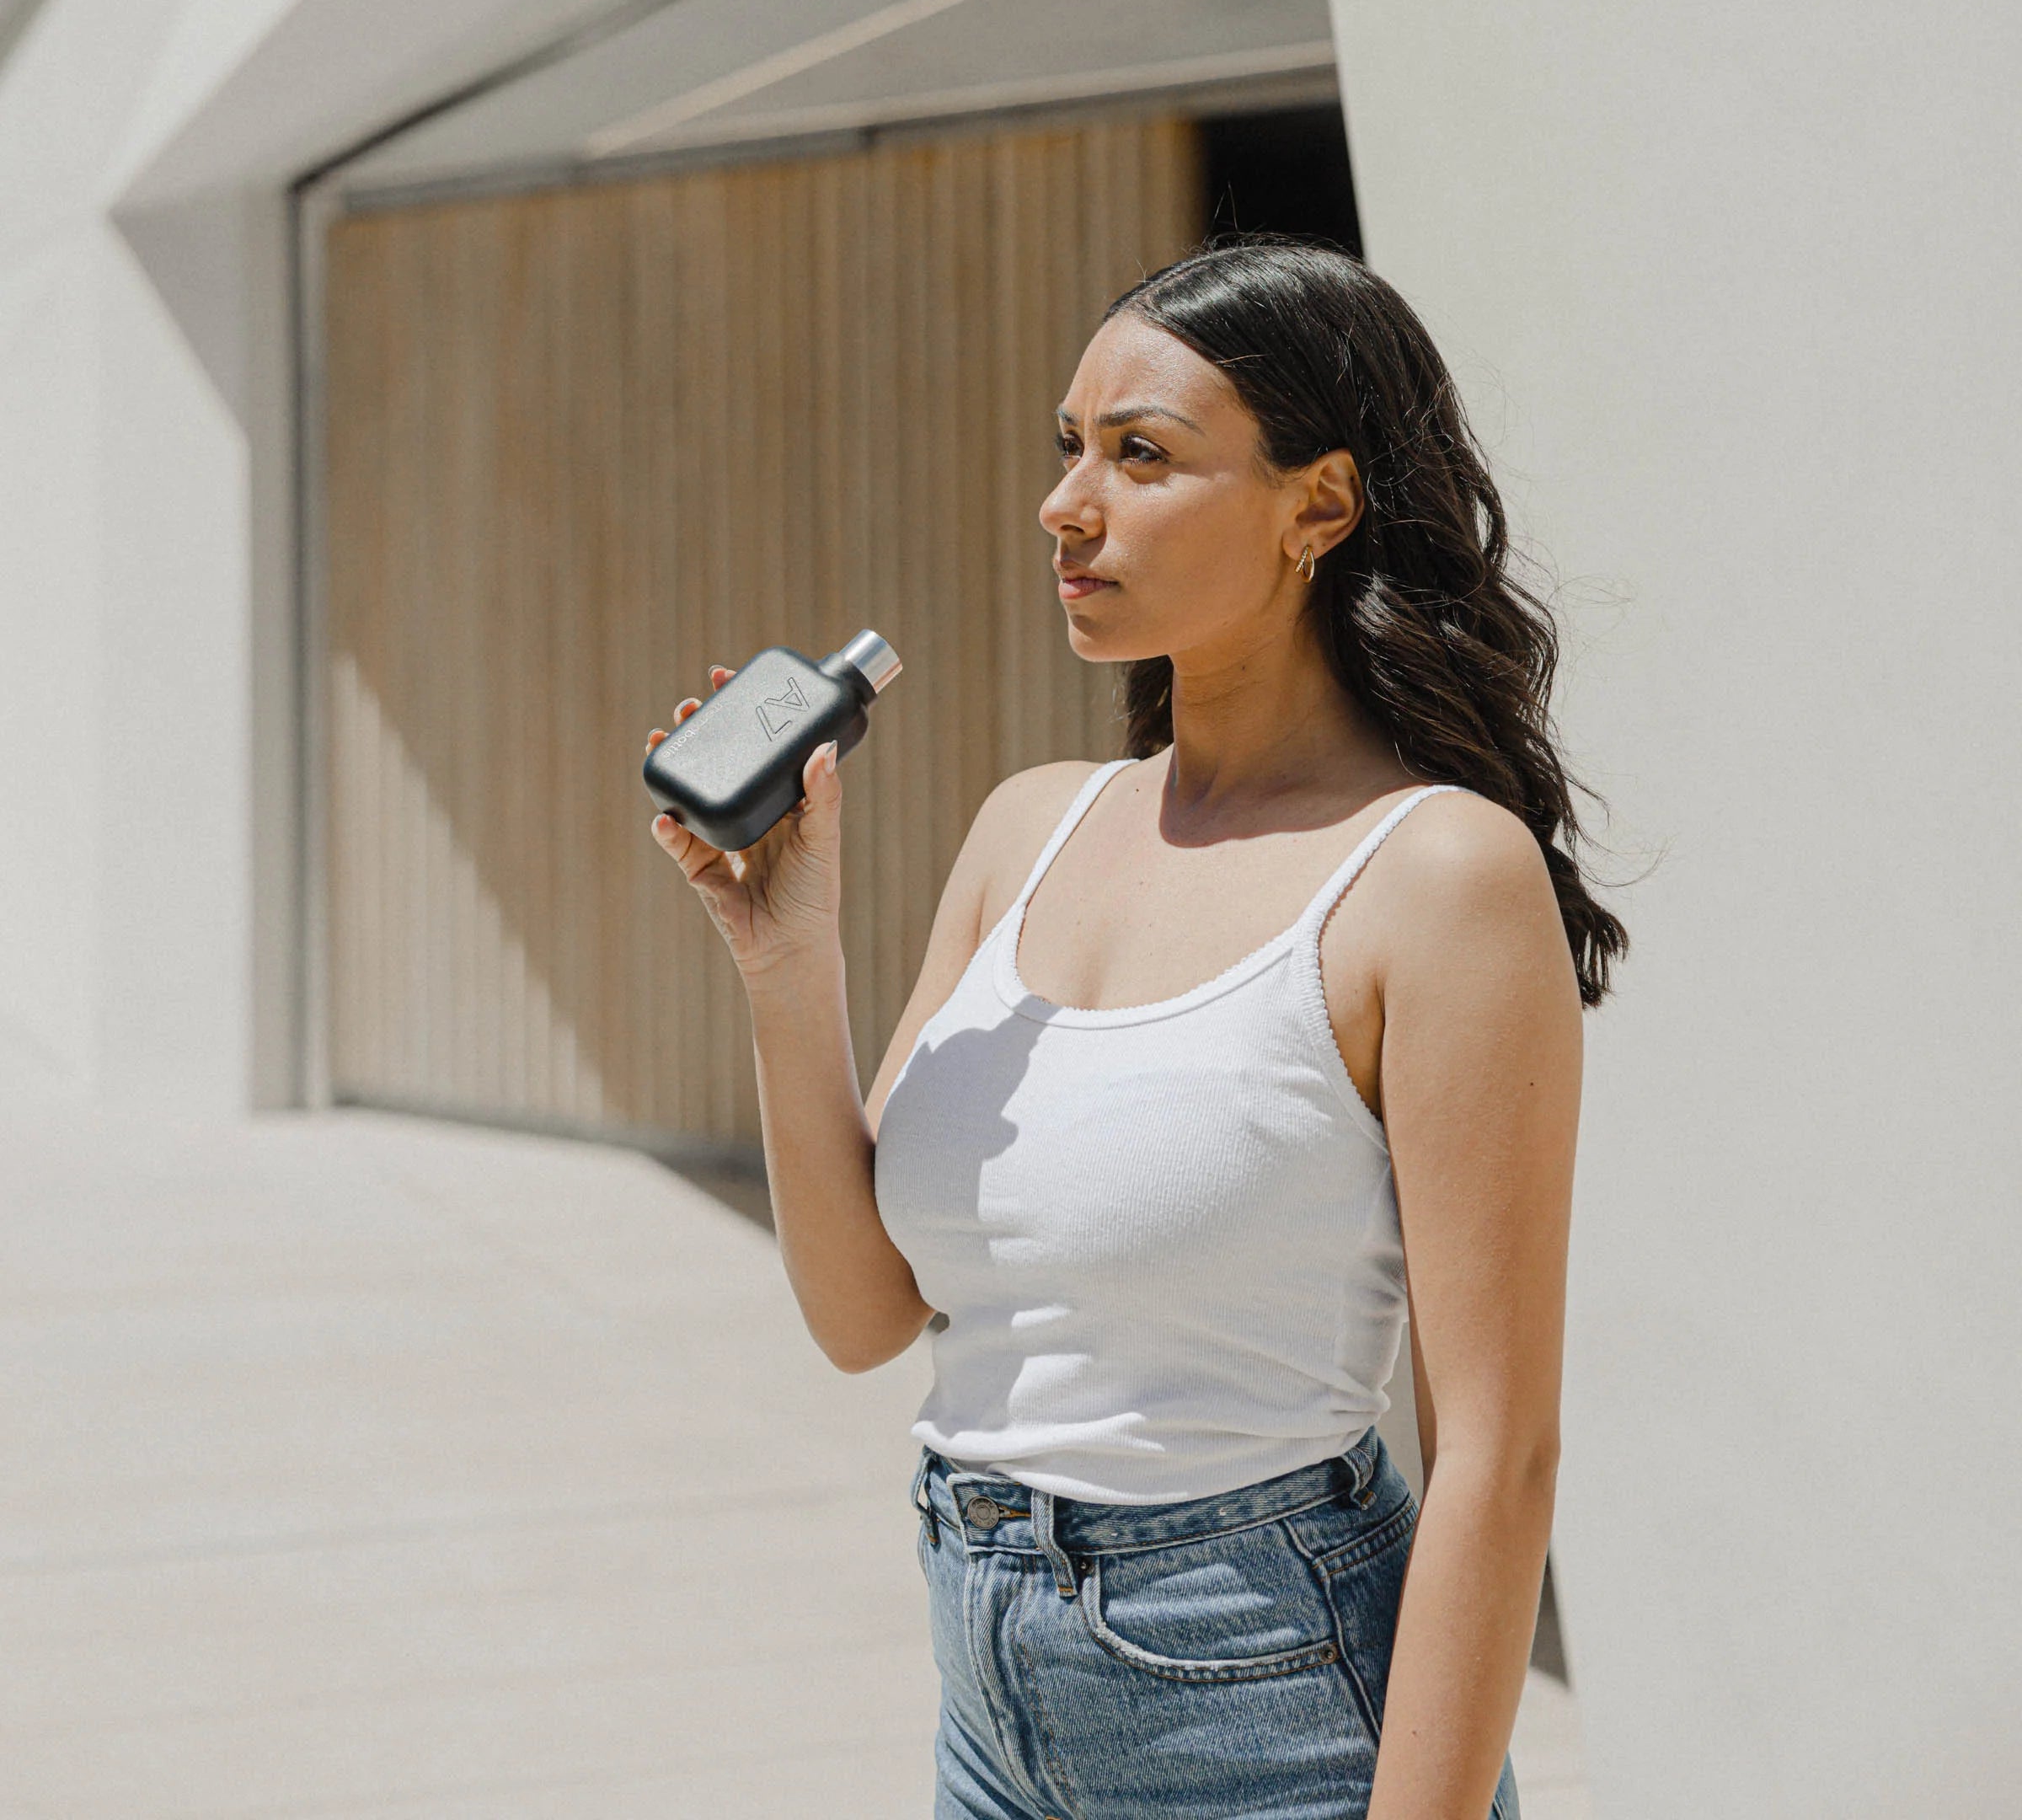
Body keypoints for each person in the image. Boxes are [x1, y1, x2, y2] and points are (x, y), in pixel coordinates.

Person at [648, 234, 1619, 1820]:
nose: (1066, 504)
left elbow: (1498, 1459)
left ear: (1321, 502)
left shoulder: (1436, 875)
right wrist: (784, 962)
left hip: (1277, 1705)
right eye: (1069, 449)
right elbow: (862, 1315)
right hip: (988, 1684)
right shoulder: (1029, 825)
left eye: (1141, 455)